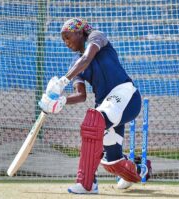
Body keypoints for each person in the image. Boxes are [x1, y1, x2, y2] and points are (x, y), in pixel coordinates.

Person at [38, 18, 151, 194]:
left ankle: (87, 183)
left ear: (79, 32)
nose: (66, 43)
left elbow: (87, 58)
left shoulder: (96, 37)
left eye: (67, 37)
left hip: (125, 95)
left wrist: (62, 82)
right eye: (63, 40)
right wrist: (61, 102)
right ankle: (140, 169)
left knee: (92, 122)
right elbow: (81, 95)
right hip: (107, 105)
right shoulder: (75, 65)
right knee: (111, 162)